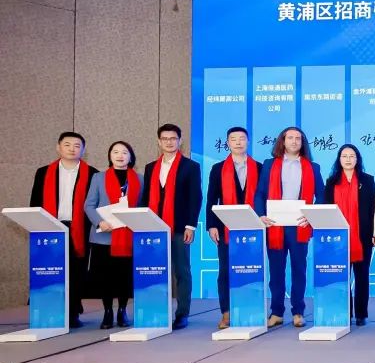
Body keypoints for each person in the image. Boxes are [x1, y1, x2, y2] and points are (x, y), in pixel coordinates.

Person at [255, 126, 324, 329]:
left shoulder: (313, 167)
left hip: (299, 225)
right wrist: (260, 214)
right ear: (282, 141)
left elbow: (321, 195)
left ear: (303, 143)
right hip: (275, 224)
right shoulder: (269, 164)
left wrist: (312, 215)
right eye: (290, 138)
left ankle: (298, 312)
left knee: (299, 270)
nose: (294, 141)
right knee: (276, 271)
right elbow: (260, 193)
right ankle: (276, 312)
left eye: (298, 138)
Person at [30, 132, 98, 328]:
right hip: (50, 226)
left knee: (76, 271)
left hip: (80, 228)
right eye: (67, 144)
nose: (72, 149)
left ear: (83, 150)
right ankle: (50, 312)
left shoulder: (92, 173)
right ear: (58, 147)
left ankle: (73, 312)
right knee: (51, 270)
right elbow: (35, 201)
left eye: (77, 146)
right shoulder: (43, 172)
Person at [138, 124, 202, 330]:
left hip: (180, 227)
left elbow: (195, 198)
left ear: (180, 141)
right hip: (154, 228)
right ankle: (156, 311)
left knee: (182, 271)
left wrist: (191, 226)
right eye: (165, 138)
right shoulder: (150, 167)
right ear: (159, 142)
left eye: (173, 138)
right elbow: (146, 197)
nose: (169, 142)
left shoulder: (191, 167)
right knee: (154, 270)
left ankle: (182, 313)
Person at [205, 126, 260, 330]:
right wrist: (211, 225)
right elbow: (211, 198)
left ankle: (251, 310)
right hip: (225, 228)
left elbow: (264, 198)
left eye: (242, 138)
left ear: (248, 142)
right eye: (233, 139)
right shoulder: (218, 169)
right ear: (227, 143)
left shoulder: (259, 167)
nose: (238, 142)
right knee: (226, 271)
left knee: (252, 270)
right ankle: (226, 313)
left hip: (254, 227)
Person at [84, 141, 138, 329]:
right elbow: (89, 205)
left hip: (128, 236)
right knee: (105, 277)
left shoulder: (139, 179)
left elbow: (143, 206)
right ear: (110, 156)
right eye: (115, 152)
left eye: (124, 152)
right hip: (103, 236)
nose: (120, 155)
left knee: (124, 276)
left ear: (130, 157)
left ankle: (122, 310)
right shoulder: (98, 177)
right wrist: (100, 222)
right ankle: (107, 312)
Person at [324, 144, 375, 326]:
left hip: (363, 235)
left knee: (362, 277)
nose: (348, 159)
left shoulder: (367, 180)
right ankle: (344, 312)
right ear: (339, 159)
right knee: (341, 277)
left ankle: (361, 314)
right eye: (344, 156)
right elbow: (326, 208)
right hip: (338, 238)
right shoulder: (331, 182)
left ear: (357, 159)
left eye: (352, 156)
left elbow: (373, 209)